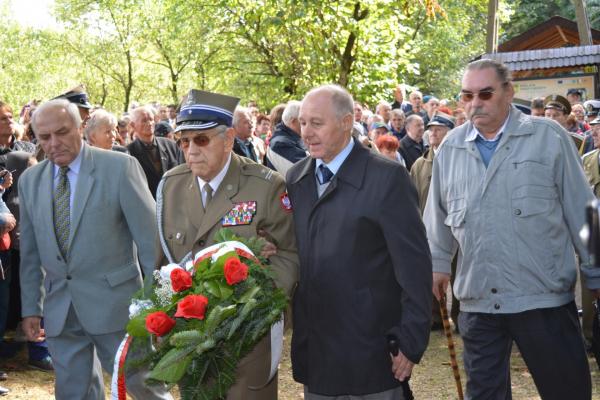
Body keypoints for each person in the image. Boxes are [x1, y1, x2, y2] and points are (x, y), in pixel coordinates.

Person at [424, 58, 597, 400]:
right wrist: (437, 263)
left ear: (509, 92)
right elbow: (436, 218)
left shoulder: (548, 138)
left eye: (485, 94)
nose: (475, 103)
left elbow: (585, 211)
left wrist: (597, 274)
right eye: (467, 95)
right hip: (479, 303)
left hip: (543, 300)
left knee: (568, 392)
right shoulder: (451, 149)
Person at [19, 99, 173, 400]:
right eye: (44, 137)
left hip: (119, 307)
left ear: (81, 128)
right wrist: (30, 308)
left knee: (143, 387)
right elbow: (31, 253)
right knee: (74, 393)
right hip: (61, 309)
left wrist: (157, 303)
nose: (53, 143)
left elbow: (150, 243)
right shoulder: (30, 181)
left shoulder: (119, 167)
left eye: (62, 132)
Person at [287, 84, 432, 399]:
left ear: (345, 121)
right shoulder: (296, 179)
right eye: (302, 122)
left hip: (372, 352)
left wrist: (410, 340)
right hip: (319, 352)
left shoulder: (387, 178)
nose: (306, 132)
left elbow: (415, 266)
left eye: (317, 122)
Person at [156, 89, 298, 399]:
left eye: (201, 140)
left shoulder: (265, 186)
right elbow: (161, 262)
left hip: (247, 338)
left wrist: (260, 312)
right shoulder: (171, 186)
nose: (191, 150)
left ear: (229, 138)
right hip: (190, 337)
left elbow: (288, 253)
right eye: (184, 141)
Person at [127, 106, 182, 198]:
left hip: (174, 201)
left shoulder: (171, 145)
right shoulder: (129, 153)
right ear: (133, 125)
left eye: (151, 119)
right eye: (144, 120)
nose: (149, 123)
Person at [266, 100, 307, 177]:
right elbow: (306, 170)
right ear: (293, 121)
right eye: (304, 121)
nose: (307, 124)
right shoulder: (280, 143)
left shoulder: (290, 138)